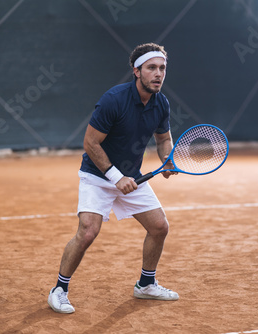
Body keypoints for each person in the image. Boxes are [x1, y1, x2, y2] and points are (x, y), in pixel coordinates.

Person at [47, 43, 179, 314]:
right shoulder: (113, 100)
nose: (158, 74)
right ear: (137, 71)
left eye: (162, 68)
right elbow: (91, 143)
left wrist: (167, 159)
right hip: (98, 175)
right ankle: (59, 289)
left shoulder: (161, 103)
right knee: (88, 232)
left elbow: (164, 138)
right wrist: (116, 177)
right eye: (151, 68)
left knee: (159, 227)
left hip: (133, 178)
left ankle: (146, 284)